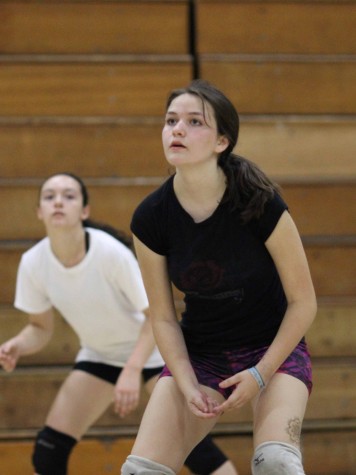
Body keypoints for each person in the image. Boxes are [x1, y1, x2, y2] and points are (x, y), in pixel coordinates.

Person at [121, 79, 317, 475]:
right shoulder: (150, 218)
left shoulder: (259, 202)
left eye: (194, 122)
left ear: (221, 142)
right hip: (201, 353)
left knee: (276, 463)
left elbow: (303, 302)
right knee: (141, 472)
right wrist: (187, 382)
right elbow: (162, 317)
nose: (177, 129)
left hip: (271, 348)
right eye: (171, 120)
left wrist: (261, 374)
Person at [0, 172, 238, 475]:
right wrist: (18, 345)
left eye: (69, 196)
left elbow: (156, 315)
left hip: (155, 354)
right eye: (49, 196)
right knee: (48, 452)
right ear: (39, 211)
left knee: (194, 450)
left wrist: (132, 368)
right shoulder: (33, 262)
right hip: (100, 355)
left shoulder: (110, 253)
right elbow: (40, 328)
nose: (58, 202)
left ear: (84, 211)